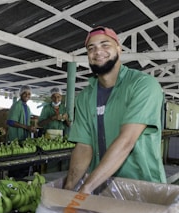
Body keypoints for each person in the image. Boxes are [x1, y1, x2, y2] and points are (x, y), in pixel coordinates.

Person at [64, 26, 166, 194]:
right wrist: (68, 190)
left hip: (144, 190)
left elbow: (127, 141)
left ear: (119, 49)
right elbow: (83, 146)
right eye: (91, 48)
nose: (98, 51)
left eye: (105, 45)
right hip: (102, 188)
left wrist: (86, 188)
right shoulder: (85, 97)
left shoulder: (143, 85)